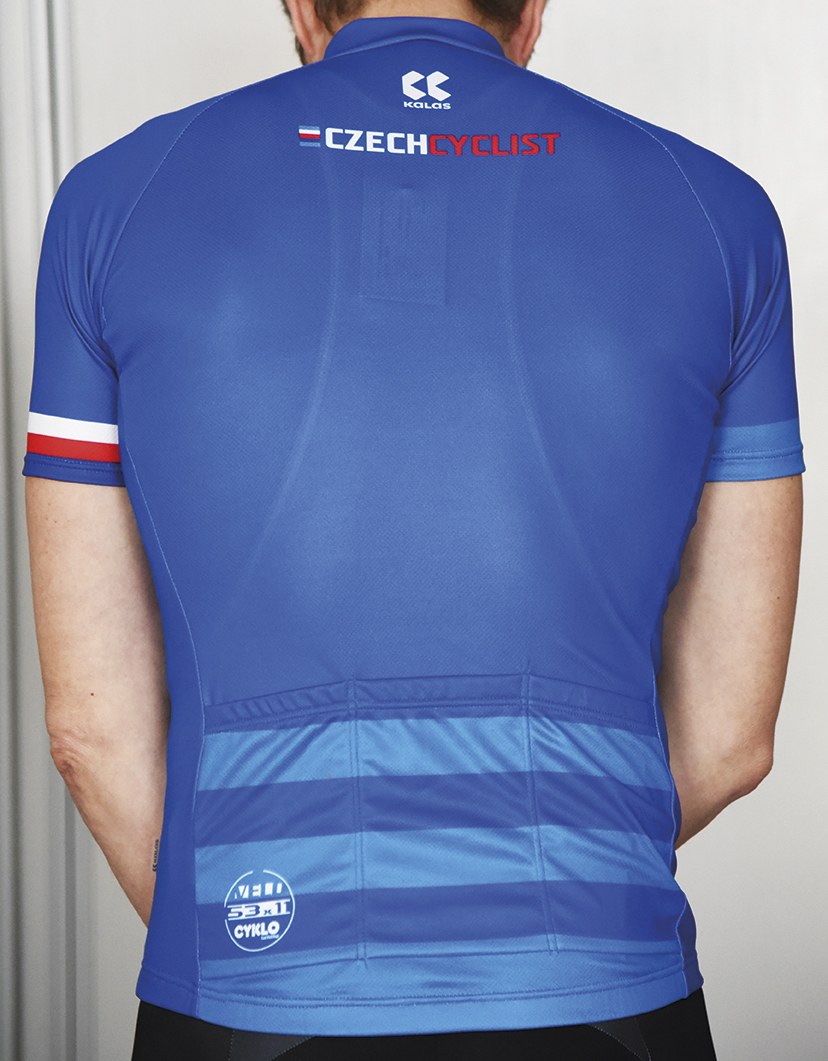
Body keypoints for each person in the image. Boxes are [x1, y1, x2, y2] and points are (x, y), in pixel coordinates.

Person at [24, 0, 804, 1056]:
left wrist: (250, 927)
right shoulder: (720, 211)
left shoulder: (113, 199)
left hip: (252, 990)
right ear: (532, 15)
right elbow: (731, 737)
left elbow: (90, 733)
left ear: (301, 10)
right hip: (605, 987)